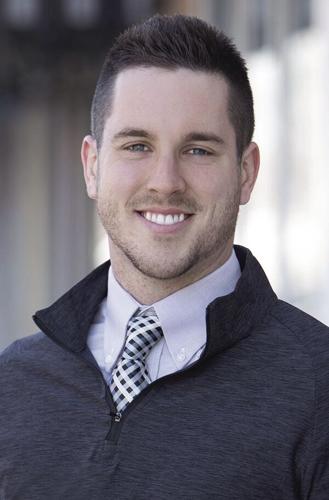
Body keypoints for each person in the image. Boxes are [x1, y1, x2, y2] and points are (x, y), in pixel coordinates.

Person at [1, 14, 328, 500]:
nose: (165, 182)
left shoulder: (318, 385)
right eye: (137, 145)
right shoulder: (14, 384)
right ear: (93, 167)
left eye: (198, 150)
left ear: (246, 172)